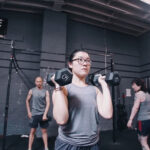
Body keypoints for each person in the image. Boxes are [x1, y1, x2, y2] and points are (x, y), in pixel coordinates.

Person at [51, 49, 113, 150]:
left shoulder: (95, 90)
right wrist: (58, 86)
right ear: (70, 64)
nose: (85, 63)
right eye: (80, 60)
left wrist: (104, 84)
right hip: (68, 145)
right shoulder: (64, 89)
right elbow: (61, 119)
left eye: (88, 60)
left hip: (93, 144)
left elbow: (107, 114)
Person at [26, 76, 50, 150]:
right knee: (32, 131)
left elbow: (48, 103)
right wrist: (29, 112)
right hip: (34, 114)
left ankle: (46, 147)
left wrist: (45, 114)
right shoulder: (31, 90)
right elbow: (27, 101)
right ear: (35, 82)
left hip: (43, 114)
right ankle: (29, 148)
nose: (38, 83)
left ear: (42, 82)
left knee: (44, 131)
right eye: (37, 81)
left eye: (40, 81)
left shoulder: (46, 91)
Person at [127, 78, 150, 150]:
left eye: (134, 85)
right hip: (148, 120)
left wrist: (130, 120)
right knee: (140, 138)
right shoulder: (148, 94)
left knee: (143, 142)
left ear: (139, 86)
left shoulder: (138, 94)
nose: (132, 87)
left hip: (142, 121)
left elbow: (135, 108)